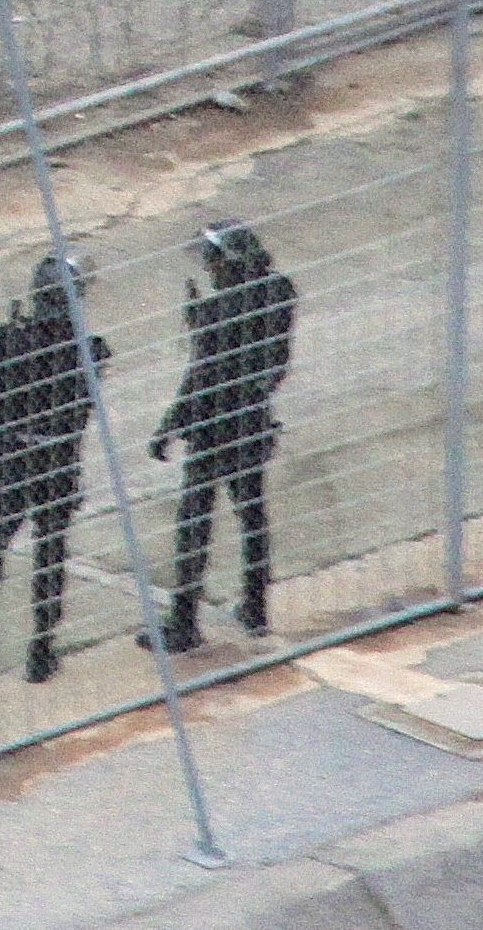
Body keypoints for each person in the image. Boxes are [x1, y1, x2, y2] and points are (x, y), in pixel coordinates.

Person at [0, 254, 109, 684]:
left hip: (14, 461)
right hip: (56, 464)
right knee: (50, 556)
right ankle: (42, 649)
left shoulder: (13, 341)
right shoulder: (90, 350)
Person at [144, 222, 296, 653]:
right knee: (251, 515)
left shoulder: (219, 311)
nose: (210, 270)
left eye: (214, 261)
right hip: (251, 421)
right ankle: (255, 607)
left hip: (214, 428)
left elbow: (201, 374)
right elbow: (271, 364)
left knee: (194, 523)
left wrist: (169, 426)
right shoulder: (278, 293)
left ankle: (184, 622)